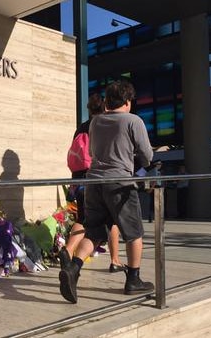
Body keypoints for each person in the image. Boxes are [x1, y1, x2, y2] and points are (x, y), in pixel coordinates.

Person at [58, 80, 154, 304]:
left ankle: (74, 269)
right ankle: (133, 279)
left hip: (94, 183)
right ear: (128, 101)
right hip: (120, 182)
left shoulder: (95, 122)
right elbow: (147, 156)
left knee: (94, 232)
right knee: (134, 232)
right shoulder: (133, 121)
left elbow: (92, 152)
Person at [60, 93, 124, 273]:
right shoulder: (105, 125)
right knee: (111, 220)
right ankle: (115, 260)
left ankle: (68, 249)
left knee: (82, 218)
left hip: (79, 178)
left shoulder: (81, 128)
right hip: (97, 178)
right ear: (105, 107)